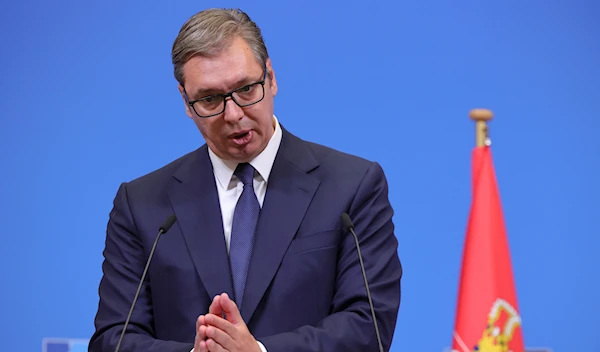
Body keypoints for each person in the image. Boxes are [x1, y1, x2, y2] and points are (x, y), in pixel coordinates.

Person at [89, 7, 402, 352]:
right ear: (185, 100)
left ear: (271, 76)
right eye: (210, 99)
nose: (234, 114)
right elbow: (113, 340)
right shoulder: (143, 205)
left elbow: (369, 326)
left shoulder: (352, 187)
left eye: (246, 89)